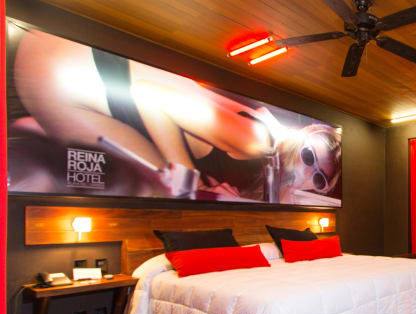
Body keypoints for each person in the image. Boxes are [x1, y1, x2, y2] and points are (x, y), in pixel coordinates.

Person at [10, 26, 340, 204]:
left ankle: (40, 131)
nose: (305, 171)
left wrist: (199, 184)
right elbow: (151, 96)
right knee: (165, 189)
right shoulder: (258, 139)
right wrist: (187, 182)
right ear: (303, 137)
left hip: (56, 69)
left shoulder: (258, 144)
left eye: (318, 180)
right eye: (309, 156)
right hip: (57, 70)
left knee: (166, 181)